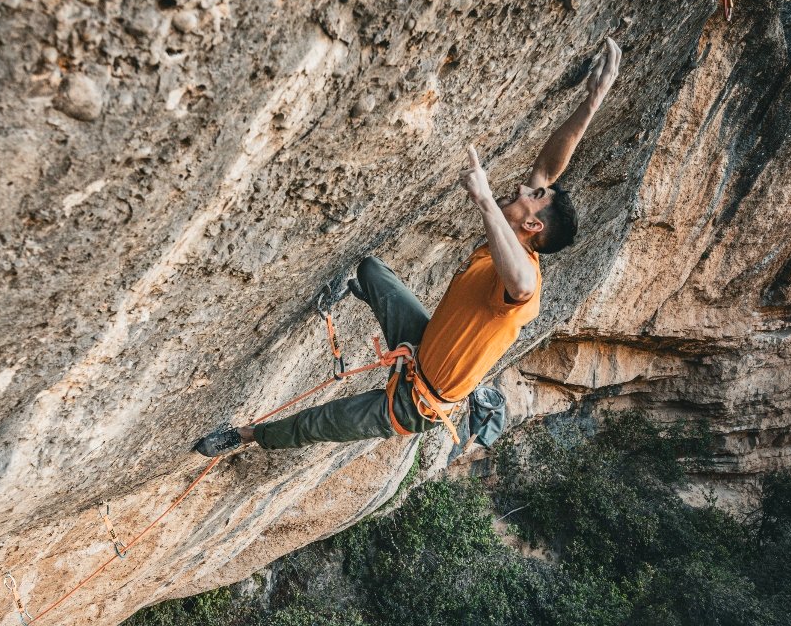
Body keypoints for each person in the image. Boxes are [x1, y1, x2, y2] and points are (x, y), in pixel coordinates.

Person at [195, 38, 621, 457]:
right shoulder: (510, 237)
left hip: (418, 403)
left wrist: (486, 201)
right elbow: (548, 167)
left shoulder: (521, 281)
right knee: (370, 270)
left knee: (319, 422)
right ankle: (370, 298)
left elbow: (523, 287)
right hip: (422, 342)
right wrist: (592, 102)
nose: (521, 187)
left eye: (531, 195)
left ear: (531, 225)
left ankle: (245, 436)